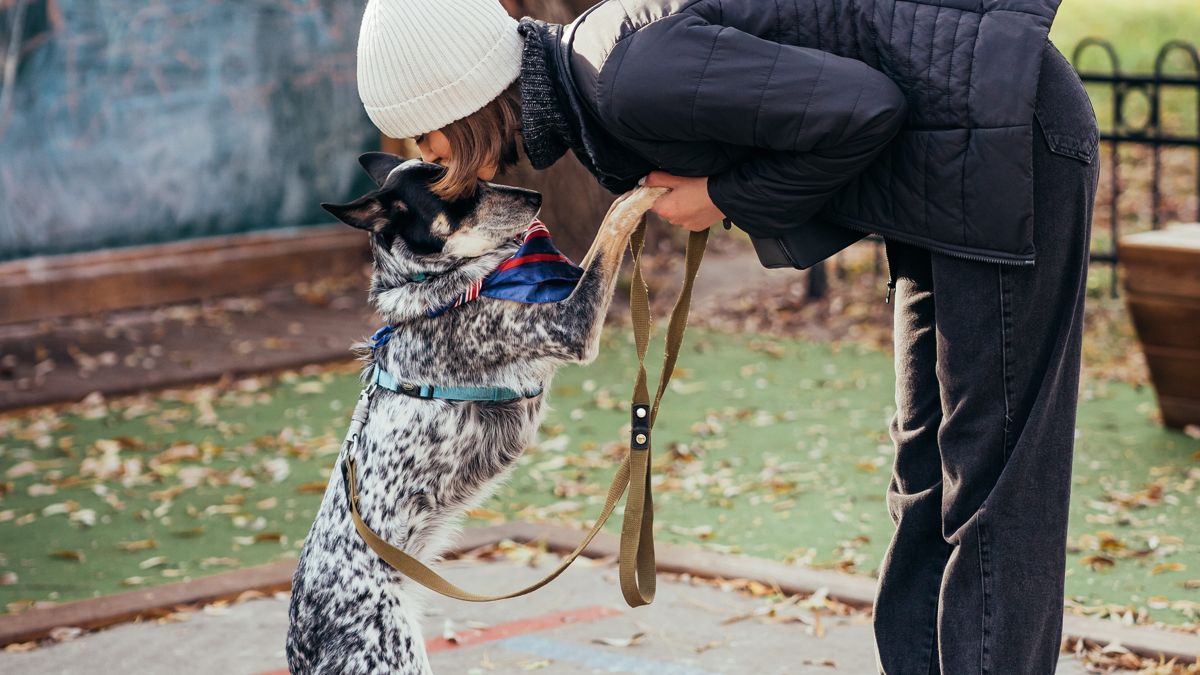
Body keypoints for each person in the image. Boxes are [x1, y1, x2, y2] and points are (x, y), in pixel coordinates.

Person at [353, 0, 1099, 672]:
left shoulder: (624, 79)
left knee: (992, 475)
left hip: (1006, 127)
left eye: (426, 133)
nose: (429, 157)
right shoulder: (598, 73)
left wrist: (719, 196)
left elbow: (866, 108)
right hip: (945, 157)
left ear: (462, 102)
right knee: (925, 464)